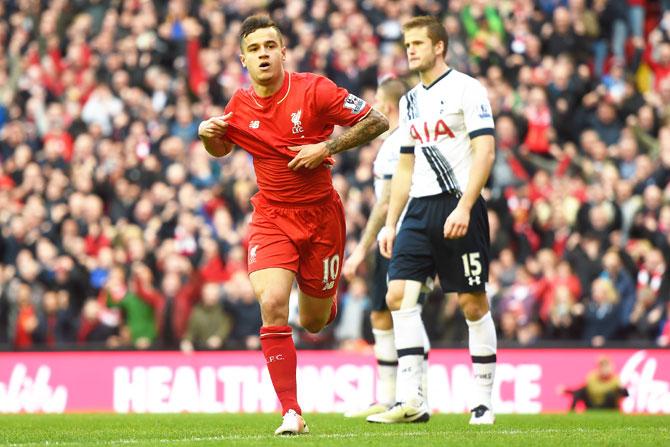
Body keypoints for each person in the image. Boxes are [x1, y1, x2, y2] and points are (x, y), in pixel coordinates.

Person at [197, 15, 388, 435]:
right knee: (272, 302)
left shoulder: (314, 89)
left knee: (315, 321)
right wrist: (207, 133)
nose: (263, 54)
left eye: (270, 46)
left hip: (322, 217)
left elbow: (377, 121)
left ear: (283, 51)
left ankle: (323, 294)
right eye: (255, 49)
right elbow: (221, 149)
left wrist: (327, 146)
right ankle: (291, 412)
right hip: (271, 217)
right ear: (243, 59)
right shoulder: (239, 104)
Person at [376, 16, 497, 425]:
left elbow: (485, 152)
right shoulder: (409, 100)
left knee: (471, 302)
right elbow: (404, 167)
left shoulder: (467, 88)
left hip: (459, 204)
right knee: (397, 296)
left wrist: (465, 206)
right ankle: (413, 400)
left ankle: (482, 401)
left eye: (417, 44)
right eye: (407, 44)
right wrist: (391, 222)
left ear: (439, 46)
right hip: (419, 209)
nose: (410, 50)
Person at [342, 76, 432, 419]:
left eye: (377, 102)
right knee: (382, 312)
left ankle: (414, 397)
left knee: (403, 310)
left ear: (388, 106)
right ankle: (391, 395)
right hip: (394, 236)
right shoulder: (394, 142)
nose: (373, 108)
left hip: (402, 235)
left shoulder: (398, 143)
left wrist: (360, 251)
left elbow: (385, 204)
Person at [560, 356, 629, 411]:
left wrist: (623, 391)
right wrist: (567, 390)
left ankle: (613, 412)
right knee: (581, 392)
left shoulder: (615, 379)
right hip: (593, 405)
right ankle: (571, 412)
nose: (604, 369)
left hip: (608, 406)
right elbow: (580, 390)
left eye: (606, 366)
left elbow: (624, 394)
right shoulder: (592, 377)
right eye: (602, 366)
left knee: (611, 394)